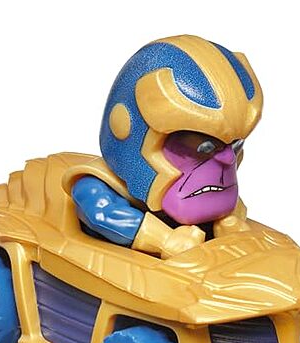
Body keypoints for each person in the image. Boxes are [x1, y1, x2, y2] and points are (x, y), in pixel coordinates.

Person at [71, 35, 263, 258]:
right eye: (204, 148)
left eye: (236, 144)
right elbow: (102, 214)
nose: (228, 158)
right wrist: (162, 240)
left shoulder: (210, 187)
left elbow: (225, 206)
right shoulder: (95, 186)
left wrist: (228, 220)